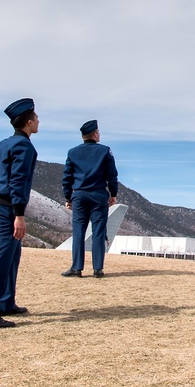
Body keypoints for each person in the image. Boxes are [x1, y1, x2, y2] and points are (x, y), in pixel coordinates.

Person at [0, 98, 39, 328]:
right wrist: (19, 214)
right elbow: (19, 180)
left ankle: (6, 302)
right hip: (8, 207)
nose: (39, 122)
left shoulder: (1, 145)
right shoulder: (24, 147)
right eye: (37, 118)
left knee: (12, 256)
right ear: (29, 122)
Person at [61, 119, 119, 278]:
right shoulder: (105, 151)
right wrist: (113, 194)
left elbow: (67, 178)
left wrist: (68, 197)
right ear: (94, 134)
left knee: (79, 231)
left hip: (79, 194)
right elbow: (112, 176)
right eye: (98, 132)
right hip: (98, 195)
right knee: (99, 231)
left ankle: (76, 268)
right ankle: (98, 269)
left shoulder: (72, 152)